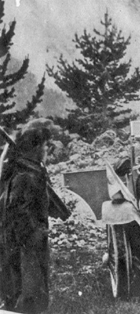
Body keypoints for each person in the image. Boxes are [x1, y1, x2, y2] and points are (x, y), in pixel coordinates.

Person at [0, 118, 70, 313]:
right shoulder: (26, 177)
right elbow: (19, 211)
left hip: (22, 246)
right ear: (37, 147)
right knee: (29, 297)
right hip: (26, 248)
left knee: (24, 296)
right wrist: (36, 233)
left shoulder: (25, 172)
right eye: (46, 146)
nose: (47, 151)